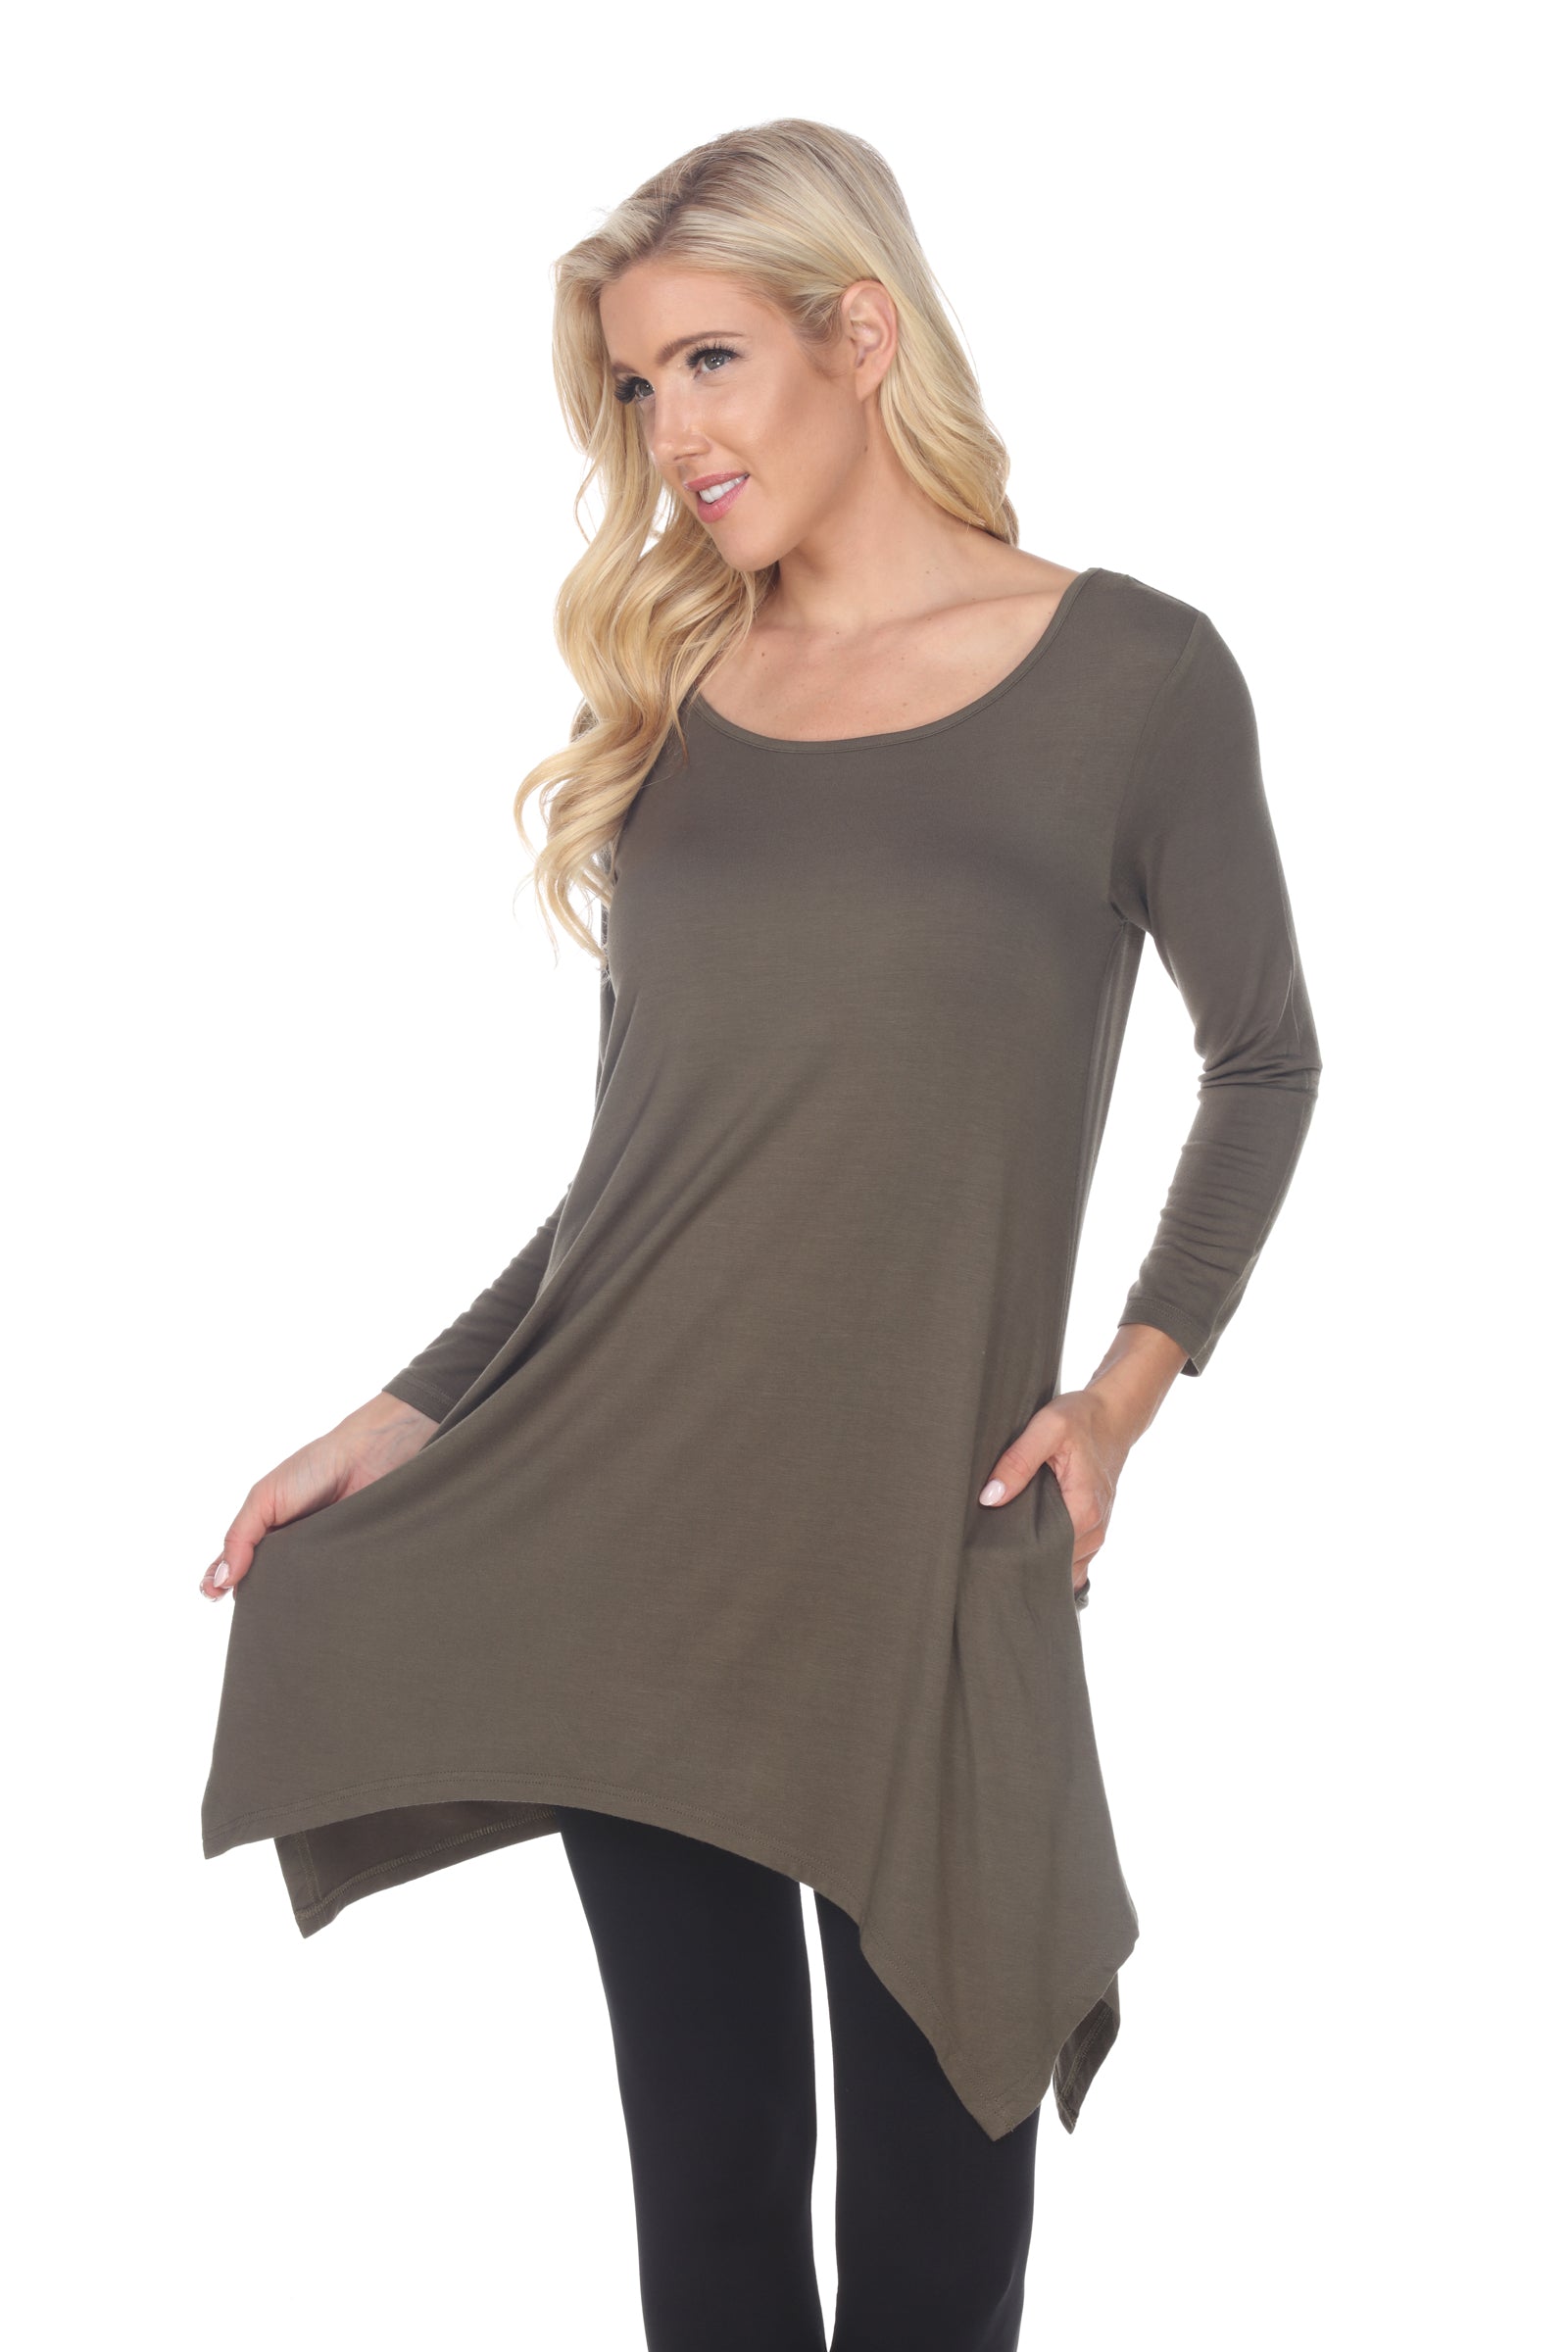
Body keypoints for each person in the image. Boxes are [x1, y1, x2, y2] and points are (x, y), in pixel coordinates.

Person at [199, 118, 1323, 2351]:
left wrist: (1120, 1399)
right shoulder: (679, 704)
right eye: (637, 388)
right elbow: (640, 1181)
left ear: (858, 335)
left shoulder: (1135, 678)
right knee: (710, 2220)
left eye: (708, 361)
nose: (672, 434)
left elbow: (1264, 1064)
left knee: (935, 2249)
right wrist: (403, 1415)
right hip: (643, 1547)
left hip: (925, 1553)